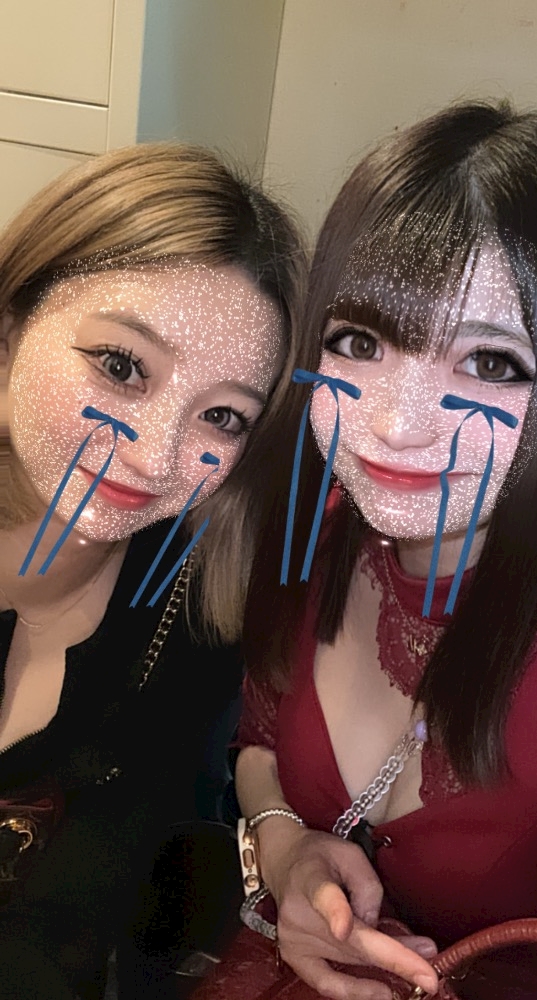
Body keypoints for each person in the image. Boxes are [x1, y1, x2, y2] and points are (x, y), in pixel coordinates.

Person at [233, 102, 537, 1000]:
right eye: (361, 341)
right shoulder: (315, 527)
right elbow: (257, 740)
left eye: (490, 363)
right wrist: (286, 850)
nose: (395, 425)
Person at [0, 142, 304, 999]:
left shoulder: (192, 616)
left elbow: (66, 937)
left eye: (222, 416)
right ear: (9, 336)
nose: (157, 452)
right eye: (121, 365)